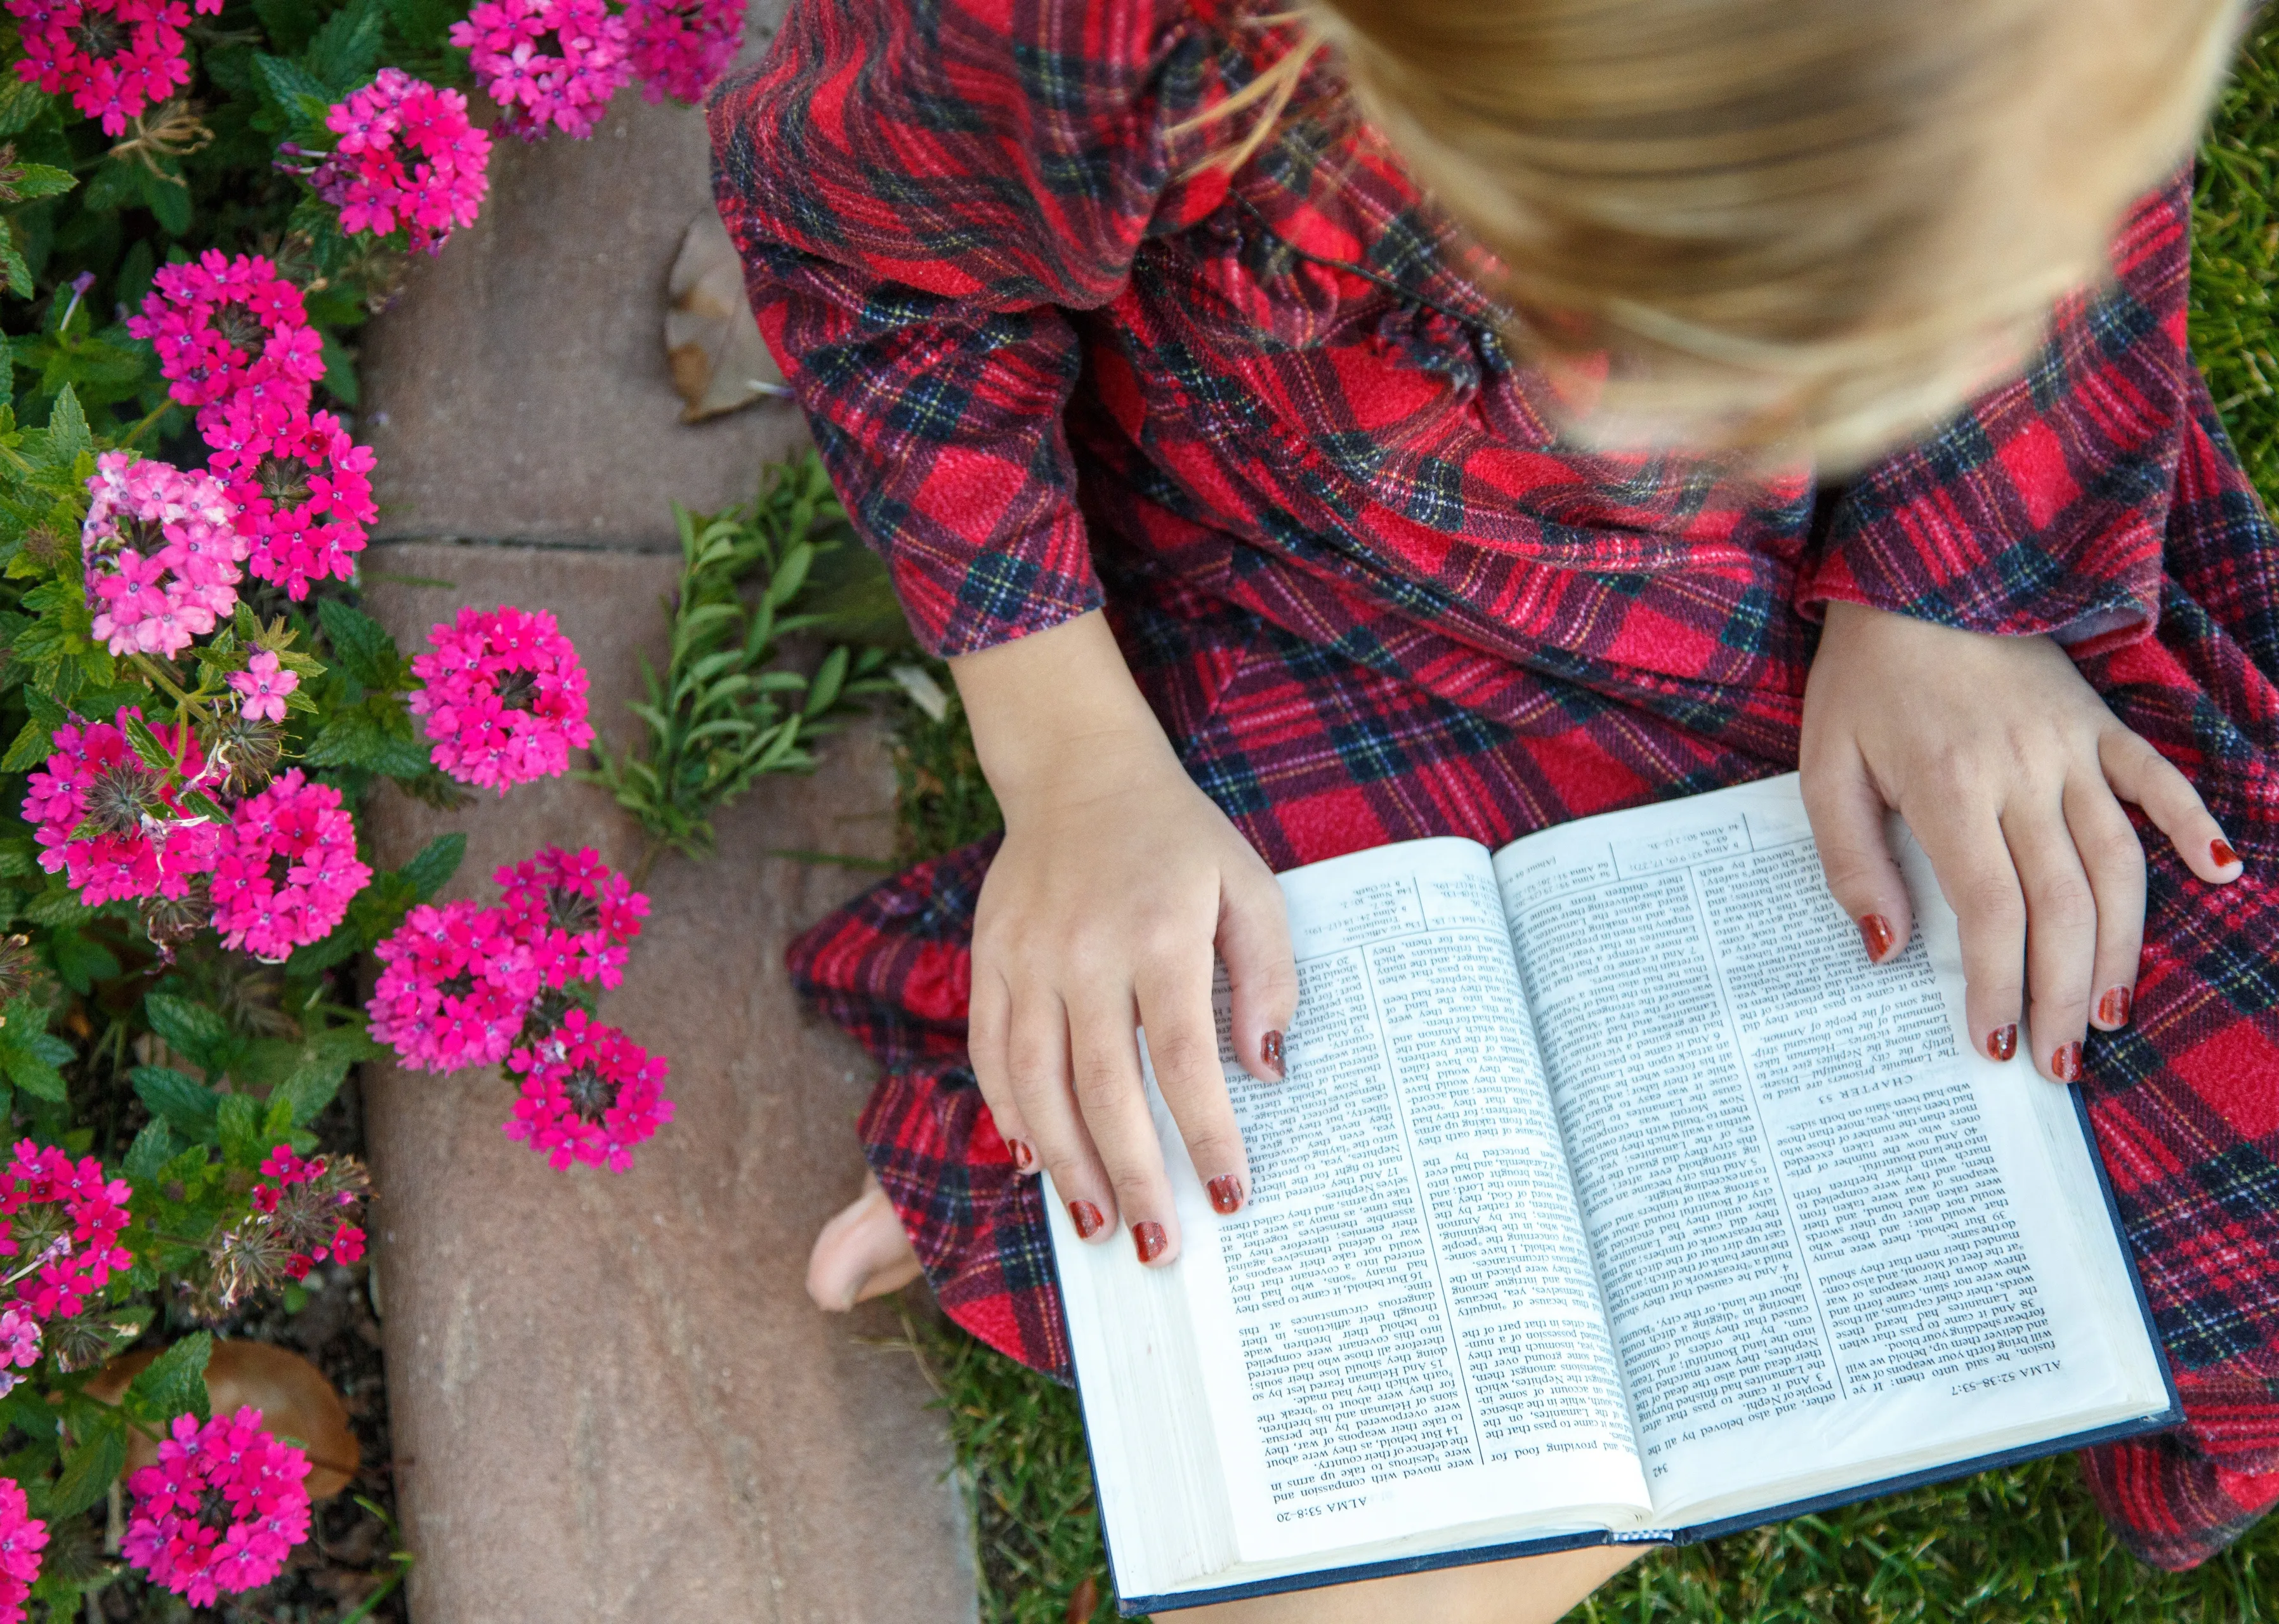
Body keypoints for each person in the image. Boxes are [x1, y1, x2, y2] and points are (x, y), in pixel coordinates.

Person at [708, 0, 2279, 1614]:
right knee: (1258, 1151)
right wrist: (1078, 770)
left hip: (1865, 591)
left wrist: (1952, 601)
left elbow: (2061, 177)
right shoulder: (1106, 35)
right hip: (1326, 606)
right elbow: (880, 274)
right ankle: (1053, 1179)